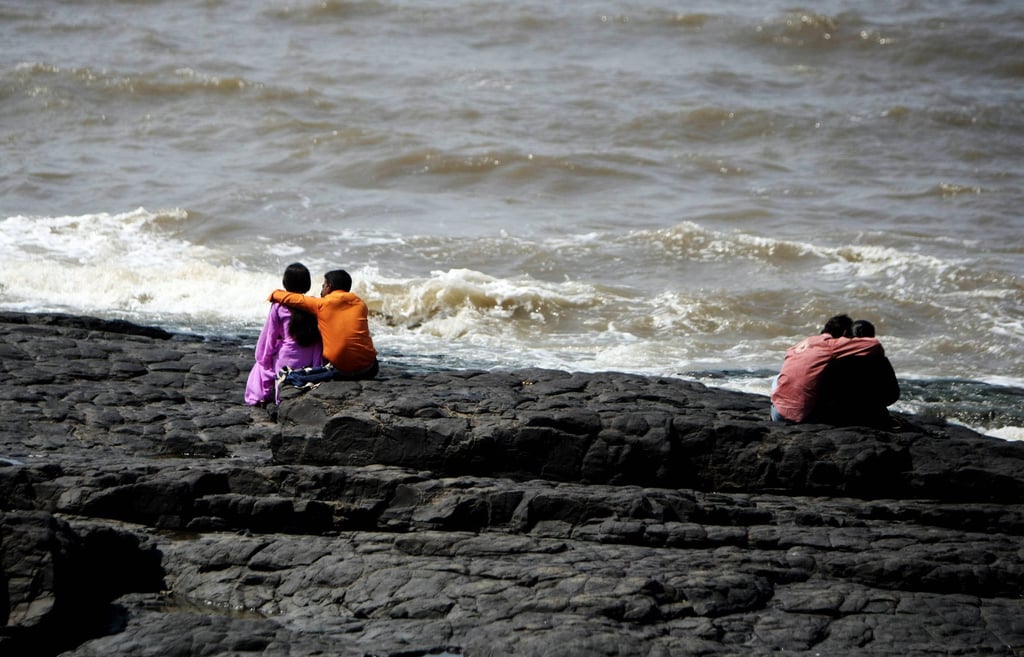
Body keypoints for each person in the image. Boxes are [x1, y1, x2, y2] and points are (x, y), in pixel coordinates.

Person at [769, 314, 886, 423]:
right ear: (845, 333)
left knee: (778, 378)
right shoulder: (831, 344)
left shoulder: (802, 343)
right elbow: (873, 343)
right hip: (801, 416)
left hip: (777, 414)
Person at [269, 269, 379, 380]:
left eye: (323, 286)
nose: (321, 291)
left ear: (329, 286)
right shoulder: (361, 305)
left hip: (342, 369)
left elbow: (293, 299)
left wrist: (274, 293)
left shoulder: (322, 304)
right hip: (369, 369)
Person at [244, 263, 323, 406]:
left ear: (285, 283)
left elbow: (270, 335)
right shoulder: (314, 304)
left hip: (286, 359)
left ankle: (263, 396)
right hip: (311, 358)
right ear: (307, 284)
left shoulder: (279, 306)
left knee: (261, 367)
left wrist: (264, 358)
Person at [813, 319, 900, 427]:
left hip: (837, 416)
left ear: (847, 336)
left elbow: (823, 392)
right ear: (872, 337)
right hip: (871, 415)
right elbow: (893, 394)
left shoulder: (834, 360)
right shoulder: (881, 361)